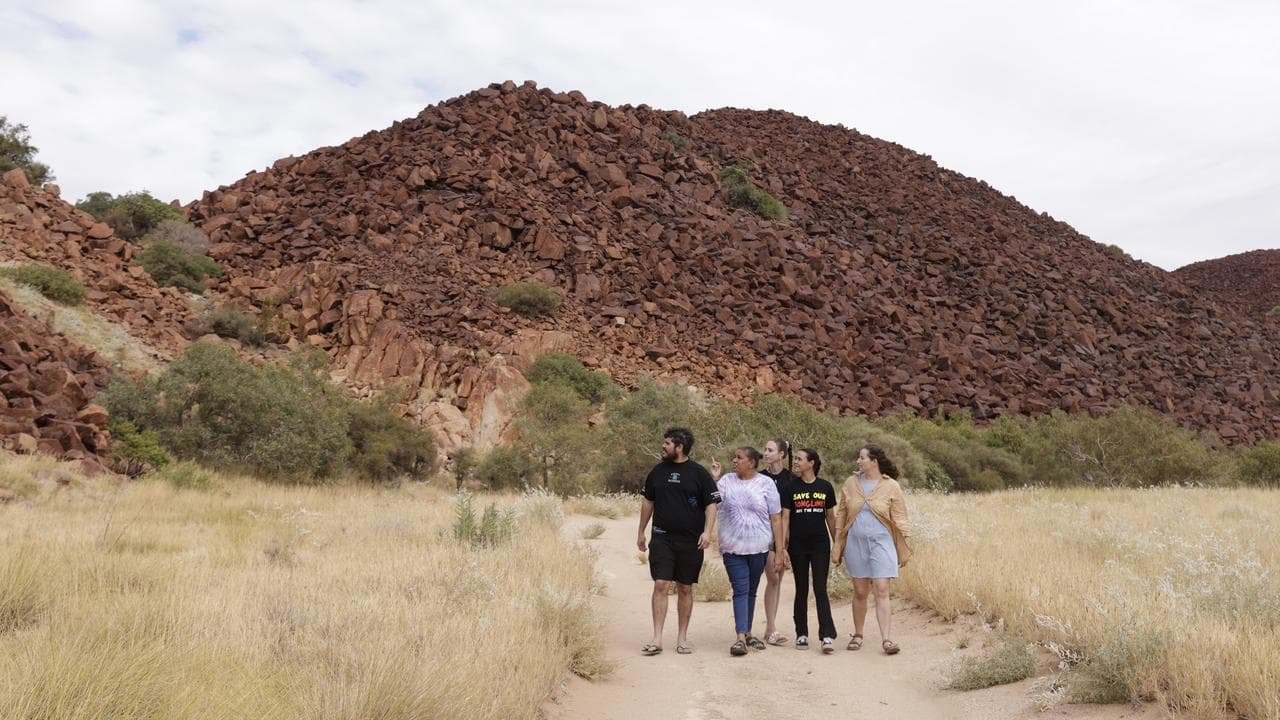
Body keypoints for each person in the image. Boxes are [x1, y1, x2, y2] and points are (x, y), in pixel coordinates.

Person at [637, 427, 720, 656]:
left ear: (679, 447)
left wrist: (707, 532)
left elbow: (711, 504)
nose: (663, 447)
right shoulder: (658, 471)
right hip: (662, 537)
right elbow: (648, 502)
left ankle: (682, 639)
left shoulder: (698, 473)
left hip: (691, 541)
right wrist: (641, 531)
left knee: (685, 587)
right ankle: (656, 638)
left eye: (667, 443)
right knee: (661, 584)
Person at [832, 445, 911, 655]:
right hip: (856, 543)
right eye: (859, 458)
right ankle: (858, 634)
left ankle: (887, 640)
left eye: (862, 458)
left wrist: (903, 547)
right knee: (860, 591)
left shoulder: (891, 486)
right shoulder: (851, 483)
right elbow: (841, 513)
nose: (858, 461)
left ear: (874, 461)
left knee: (882, 589)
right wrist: (837, 542)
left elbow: (901, 517)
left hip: (882, 542)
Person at [715, 446, 784, 656]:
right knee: (741, 589)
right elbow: (713, 504)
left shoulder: (766, 483)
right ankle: (739, 638)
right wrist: (714, 479)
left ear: (752, 463)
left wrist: (779, 550)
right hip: (732, 547)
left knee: (751, 591)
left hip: (760, 547)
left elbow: (776, 518)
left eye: (739, 458)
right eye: (734, 457)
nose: (734, 461)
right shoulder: (726, 481)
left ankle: (748, 633)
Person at [781, 448, 839, 653]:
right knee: (802, 589)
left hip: (820, 545)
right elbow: (785, 519)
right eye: (794, 458)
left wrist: (837, 545)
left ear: (811, 462)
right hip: (797, 545)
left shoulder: (825, 487)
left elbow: (831, 518)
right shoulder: (790, 488)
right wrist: (782, 548)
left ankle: (826, 635)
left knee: (821, 589)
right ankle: (802, 634)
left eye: (799, 459)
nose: (795, 462)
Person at [758, 437, 796, 646]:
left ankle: (770, 627)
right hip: (762, 536)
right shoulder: (759, 477)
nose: (766, 453)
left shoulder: (791, 479)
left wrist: (785, 543)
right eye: (765, 449)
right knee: (773, 578)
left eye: (770, 450)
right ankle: (770, 627)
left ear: (781, 454)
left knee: (777, 581)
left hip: (784, 537)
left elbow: (789, 512)